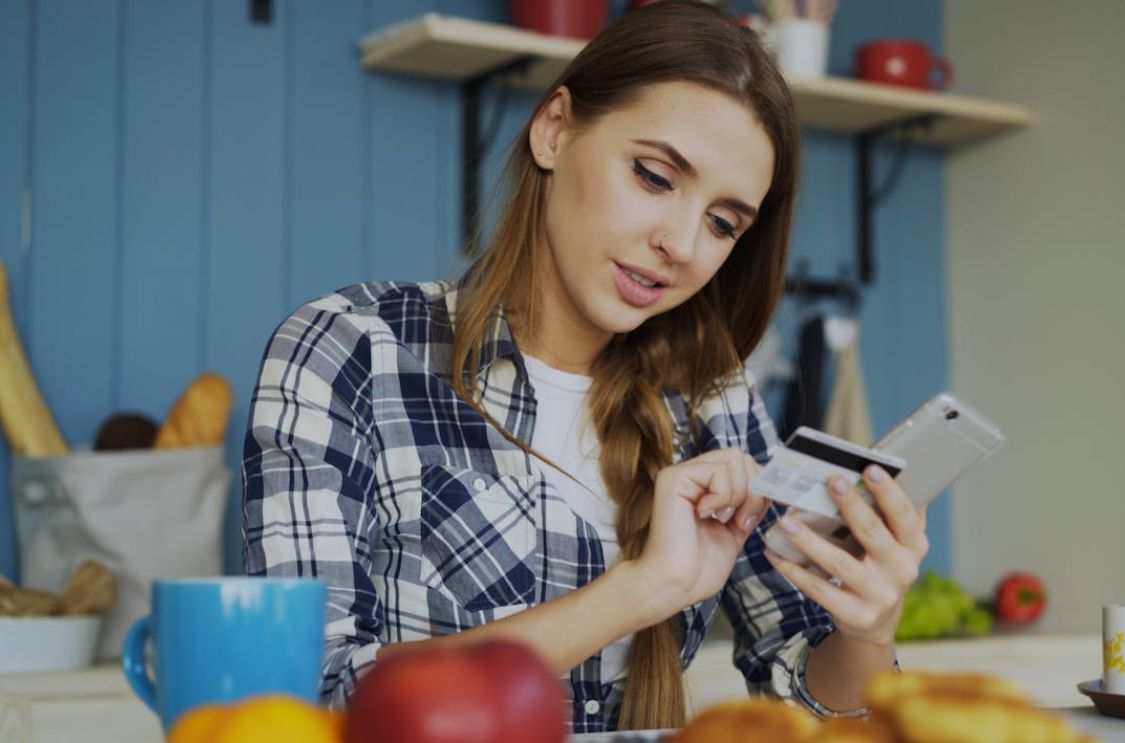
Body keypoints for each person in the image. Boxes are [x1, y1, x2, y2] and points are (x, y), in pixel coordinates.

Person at [241, 0, 928, 733]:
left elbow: (806, 705)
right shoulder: (350, 350)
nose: (682, 243)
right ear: (554, 129)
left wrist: (866, 630)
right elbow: (308, 707)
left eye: (723, 222)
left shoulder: (711, 392)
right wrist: (639, 589)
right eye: (655, 177)